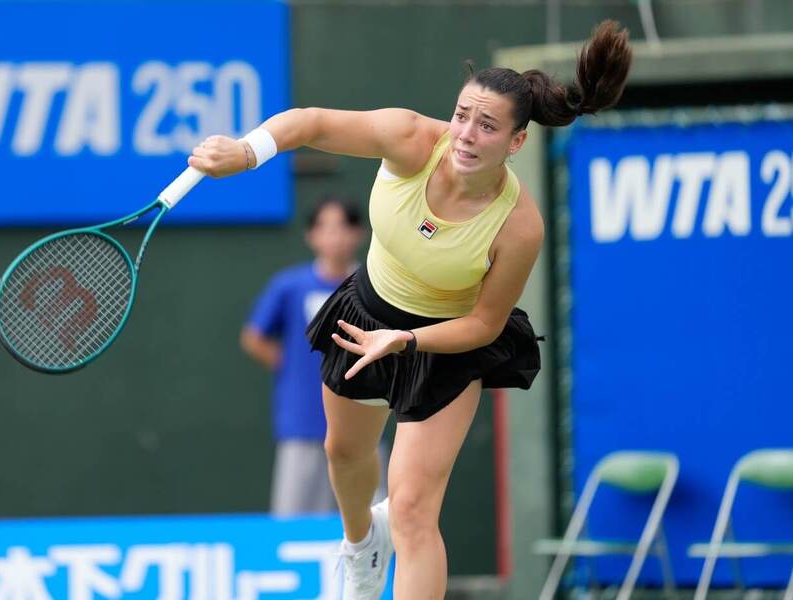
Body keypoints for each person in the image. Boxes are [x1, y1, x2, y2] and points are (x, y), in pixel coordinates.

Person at [190, 20, 631, 600]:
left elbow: (484, 324)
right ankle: (360, 545)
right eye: (462, 116)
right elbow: (312, 123)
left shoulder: (520, 227)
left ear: (517, 142)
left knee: (415, 512)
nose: (467, 135)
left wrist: (409, 341)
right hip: (365, 315)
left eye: (488, 126)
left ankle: (386, 540)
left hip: (444, 347)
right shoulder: (410, 138)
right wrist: (248, 151)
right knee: (343, 455)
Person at [241, 197, 387, 516]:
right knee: (294, 519)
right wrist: (290, 365)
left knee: (373, 517)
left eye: (343, 227)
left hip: (365, 421)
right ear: (312, 236)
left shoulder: (378, 286)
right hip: (302, 423)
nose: (335, 237)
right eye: (325, 228)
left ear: (359, 234)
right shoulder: (289, 286)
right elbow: (254, 337)